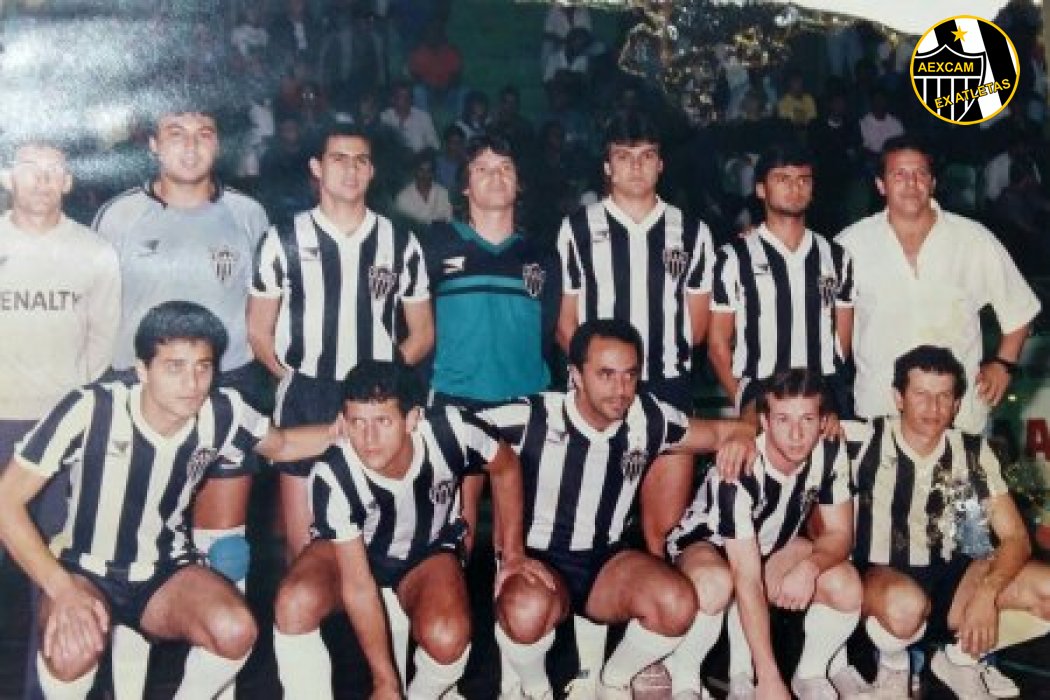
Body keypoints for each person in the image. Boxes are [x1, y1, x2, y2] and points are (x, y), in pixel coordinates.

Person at [0, 301, 340, 700]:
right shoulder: (92, 409)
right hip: (85, 570)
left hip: (165, 571)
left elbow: (281, 444)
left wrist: (344, 431)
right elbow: (6, 501)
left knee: (235, 629)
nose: (192, 383)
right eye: (174, 367)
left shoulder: (224, 413)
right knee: (72, 648)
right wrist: (62, 590)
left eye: (203, 366)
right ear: (142, 370)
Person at [89, 96, 272, 699]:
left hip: (227, 389)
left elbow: (266, 311)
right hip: (139, 396)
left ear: (220, 143)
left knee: (229, 549)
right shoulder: (118, 217)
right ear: (153, 144)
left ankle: (212, 689)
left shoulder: (249, 215)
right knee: (136, 555)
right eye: (176, 132)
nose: (190, 144)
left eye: (204, 131)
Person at [483, 319, 756, 699]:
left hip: (604, 563)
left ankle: (613, 681)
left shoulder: (648, 418)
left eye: (630, 375)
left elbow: (721, 432)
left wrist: (744, 435)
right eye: (606, 375)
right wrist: (508, 552)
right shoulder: (530, 417)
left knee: (677, 604)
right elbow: (450, 435)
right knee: (527, 612)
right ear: (575, 374)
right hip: (537, 559)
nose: (620, 389)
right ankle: (536, 690)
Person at [272, 360, 551, 699]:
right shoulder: (333, 475)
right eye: (357, 423)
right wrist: (384, 680)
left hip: (426, 551)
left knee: (447, 636)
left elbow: (505, 465)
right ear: (343, 422)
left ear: (412, 418)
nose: (369, 438)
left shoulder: (452, 430)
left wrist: (512, 553)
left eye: (383, 422)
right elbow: (360, 587)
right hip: (352, 552)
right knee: (294, 601)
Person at [556, 111, 715, 690]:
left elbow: (694, 328)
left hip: (665, 388)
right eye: (624, 156)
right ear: (606, 166)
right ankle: (589, 671)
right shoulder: (577, 229)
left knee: (663, 531)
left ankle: (660, 660)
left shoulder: (691, 232)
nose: (635, 167)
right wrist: (596, 386)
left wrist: (656, 377)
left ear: (661, 163)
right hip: (599, 394)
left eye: (646, 155)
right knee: (592, 529)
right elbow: (567, 322)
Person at [249, 123, 434, 561]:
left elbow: (423, 332)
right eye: (339, 159)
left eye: (361, 160)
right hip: (307, 394)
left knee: (379, 536)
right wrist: (295, 377)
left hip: (376, 402)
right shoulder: (283, 239)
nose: (351, 170)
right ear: (317, 167)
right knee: (305, 547)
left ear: (372, 171)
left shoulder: (400, 241)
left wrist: (382, 382)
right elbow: (259, 331)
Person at [846, 346, 1050, 699]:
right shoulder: (863, 440)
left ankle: (960, 660)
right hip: (885, 581)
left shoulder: (973, 451)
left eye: (944, 397)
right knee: (905, 606)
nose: (933, 408)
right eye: (921, 395)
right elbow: (782, 427)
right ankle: (894, 665)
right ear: (898, 397)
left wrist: (987, 594)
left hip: (956, 584)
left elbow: (1015, 537)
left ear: (957, 405)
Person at [665, 369, 866, 700]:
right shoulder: (740, 468)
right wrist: (769, 678)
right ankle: (684, 677)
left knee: (844, 583)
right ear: (765, 421)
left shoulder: (830, 452)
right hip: (707, 547)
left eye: (808, 419)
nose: (797, 434)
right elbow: (747, 579)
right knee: (718, 583)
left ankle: (811, 674)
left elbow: (840, 534)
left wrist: (809, 567)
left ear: (823, 420)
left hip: (769, 546)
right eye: (784, 419)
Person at [836, 135, 1041, 435]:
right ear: (881, 185)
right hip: (880, 415)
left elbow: (1019, 311)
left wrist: (1003, 364)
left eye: (920, 174)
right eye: (899, 175)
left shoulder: (972, 239)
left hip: (960, 418)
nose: (911, 183)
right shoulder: (850, 244)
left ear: (932, 183)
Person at [707, 144, 854, 429]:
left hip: (823, 395)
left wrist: (827, 390)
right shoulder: (733, 256)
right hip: (762, 394)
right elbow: (717, 344)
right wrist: (744, 400)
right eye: (782, 179)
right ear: (761, 189)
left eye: (803, 180)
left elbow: (842, 340)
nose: (795, 187)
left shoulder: (837, 256)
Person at [394, 148, 452, 228]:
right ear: (414, 171)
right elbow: (402, 225)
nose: (425, 175)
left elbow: (448, 220)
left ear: (433, 173)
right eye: (421, 170)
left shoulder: (442, 193)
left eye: (428, 171)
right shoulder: (403, 197)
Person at [380, 81, 441, 154]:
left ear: (412, 99)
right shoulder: (384, 117)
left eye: (408, 97)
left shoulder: (423, 117)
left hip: (419, 159)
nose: (405, 100)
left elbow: (435, 145)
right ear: (392, 99)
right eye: (401, 97)